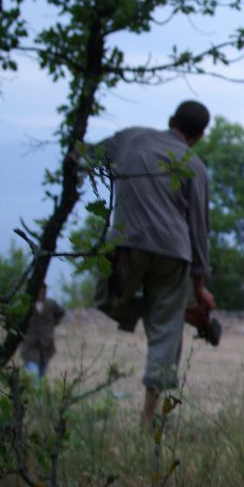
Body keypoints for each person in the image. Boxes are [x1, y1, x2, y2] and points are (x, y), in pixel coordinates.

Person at [95, 100, 216, 428]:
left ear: (170, 119)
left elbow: (89, 154)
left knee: (105, 298)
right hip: (174, 252)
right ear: (200, 135)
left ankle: (149, 416)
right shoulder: (195, 165)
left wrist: (75, 166)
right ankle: (150, 416)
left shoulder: (131, 138)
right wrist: (199, 286)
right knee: (166, 331)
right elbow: (199, 229)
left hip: (126, 246)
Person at [20, 283, 66, 379]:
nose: (41, 291)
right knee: (33, 377)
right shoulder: (26, 304)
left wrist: (53, 323)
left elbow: (61, 313)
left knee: (41, 377)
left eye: (43, 289)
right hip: (30, 346)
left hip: (46, 346)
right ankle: (34, 393)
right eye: (39, 289)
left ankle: (39, 393)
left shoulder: (50, 304)